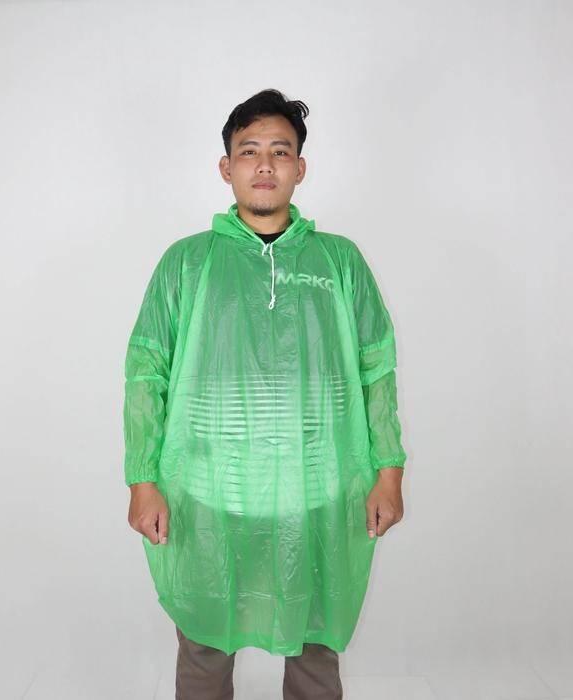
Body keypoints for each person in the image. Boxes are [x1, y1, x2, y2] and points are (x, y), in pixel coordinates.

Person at [123, 88, 407, 700]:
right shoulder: (187, 264)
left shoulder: (339, 262)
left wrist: (389, 472)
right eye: (249, 150)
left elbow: (375, 368)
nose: (264, 164)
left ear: (300, 167)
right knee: (205, 639)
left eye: (280, 151)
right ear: (226, 167)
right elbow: (147, 372)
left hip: (317, 491)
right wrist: (142, 479)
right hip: (209, 492)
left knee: (314, 638)